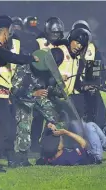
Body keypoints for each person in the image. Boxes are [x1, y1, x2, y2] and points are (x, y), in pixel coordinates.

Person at [0, 18, 39, 173]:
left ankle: (10, 158)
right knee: (5, 129)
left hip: (3, 94)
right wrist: (31, 58)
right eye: (9, 31)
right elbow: (14, 58)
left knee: (10, 128)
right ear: (4, 32)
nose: (10, 34)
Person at [30, 17, 66, 152]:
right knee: (38, 116)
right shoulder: (38, 43)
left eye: (58, 33)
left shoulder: (62, 45)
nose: (55, 35)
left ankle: (48, 142)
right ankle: (34, 142)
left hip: (55, 85)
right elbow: (32, 63)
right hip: (40, 84)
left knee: (55, 115)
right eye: (53, 32)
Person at [71, 20, 106, 136]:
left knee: (98, 112)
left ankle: (100, 135)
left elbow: (96, 70)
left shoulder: (89, 49)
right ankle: (98, 136)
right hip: (77, 89)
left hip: (81, 88)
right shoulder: (91, 49)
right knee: (95, 112)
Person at [37, 121, 106, 166]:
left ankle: (102, 135)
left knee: (75, 123)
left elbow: (44, 138)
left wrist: (49, 125)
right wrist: (66, 132)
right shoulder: (69, 158)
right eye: (59, 139)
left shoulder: (48, 155)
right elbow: (85, 144)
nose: (61, 137)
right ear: (59, 147)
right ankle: (105, 143)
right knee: (90, 126)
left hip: (82, 146)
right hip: (93, 154)